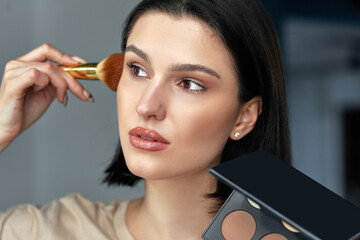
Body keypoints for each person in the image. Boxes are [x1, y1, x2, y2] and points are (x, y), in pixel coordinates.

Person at [0, 0, 291, 239]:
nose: (146, 106)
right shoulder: (43, 231)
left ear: (244, 117)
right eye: (138, 70)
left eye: (189, 83)